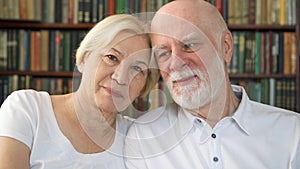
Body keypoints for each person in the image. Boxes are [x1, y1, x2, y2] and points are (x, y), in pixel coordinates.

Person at [124, 0, 300, 168]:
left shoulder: (293, 132)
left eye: (189, 45)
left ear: (226, 47)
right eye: (164, 53)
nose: (175, 63)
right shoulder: (142, 137)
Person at [0, 14, 159, 169]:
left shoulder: (139, 138)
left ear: (144, 86)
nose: (121, 77)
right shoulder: (28, 109)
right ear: (83, 59)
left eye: (137, 69)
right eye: (111, 57)